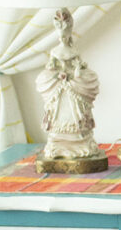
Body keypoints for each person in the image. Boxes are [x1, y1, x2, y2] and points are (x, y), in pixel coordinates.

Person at [35, 8, 102, 159]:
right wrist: (58, 76)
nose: (63, 38)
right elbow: (51, 68)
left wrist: (76, 72)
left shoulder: (74, 52)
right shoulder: (55, 52)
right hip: (61, 89)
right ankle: (58, 142)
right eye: (61, 35)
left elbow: (80, 66)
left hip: (72, 87)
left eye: (66, 34)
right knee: (60, 113)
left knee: (76, 111)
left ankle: (80, 140)